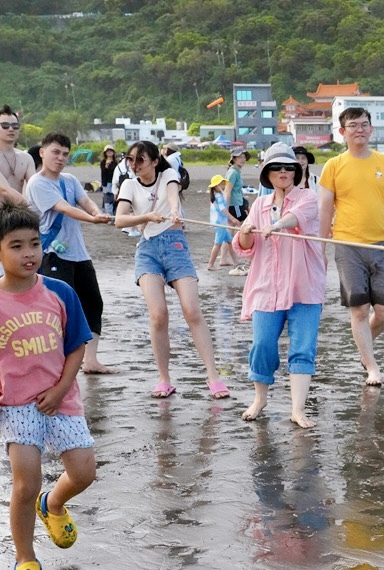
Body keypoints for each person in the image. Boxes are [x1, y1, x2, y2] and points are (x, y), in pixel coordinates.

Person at [0, 204, 97, 570]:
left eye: (35, 244)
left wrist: (59, 390)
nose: (29, 254)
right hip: (17, 405)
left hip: (62, 398)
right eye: (16, 246)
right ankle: (26, 559)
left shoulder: (60, 291)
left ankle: (52, 505)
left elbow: (77, 345)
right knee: (25, 482)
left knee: (84, 472)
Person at [114, 140, 230, 400]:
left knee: (192, 310)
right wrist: (145, 217)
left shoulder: (168, 174)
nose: (134, 165)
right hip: (147, 250)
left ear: (155, 161)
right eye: (130, 159)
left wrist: (175, 211)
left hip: (175, 244)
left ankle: (213, 376)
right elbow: (119, 219)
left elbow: (171, 196)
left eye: (140, 160)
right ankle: (164, 379)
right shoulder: (129, 184)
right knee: (158, 314)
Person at [232, 143, 325, 428]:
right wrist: (246, 231)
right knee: (262, 344)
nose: (283, 172)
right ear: (267, 174)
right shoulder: (259, 205)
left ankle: (297, 409)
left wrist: (279, 224)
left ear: (296, 172)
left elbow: (298, 218)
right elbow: (244, 248)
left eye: (288, 167)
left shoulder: (309, 196)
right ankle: (260, 398)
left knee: (303, 348)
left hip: (304, 285)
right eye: (276, 168)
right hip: (265, 287)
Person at [318, 107, 384, 387]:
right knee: (359, 310)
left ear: (371, 129)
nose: (360, 130)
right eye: (353, 125)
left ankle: (363, 346)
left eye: (364, 124)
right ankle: (372, 367)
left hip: (383, 245)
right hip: (347, 245)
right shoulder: (333, 165)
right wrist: (321, 247)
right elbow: (325, 209)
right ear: (342, 132)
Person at [25, 133, 116, 375]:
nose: (60, 158)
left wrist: (98, 212)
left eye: (65, 154)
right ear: (42, 152)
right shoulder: (37, 182)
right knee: (58, 309)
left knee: (93, 303)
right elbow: (63, 207)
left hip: (79, 253)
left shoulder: (69, 179)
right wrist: (93, 219)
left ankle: (91, 360)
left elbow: (85, 201)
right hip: (54, 253)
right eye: (55, 152)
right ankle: (56, 363)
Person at [206, 174, 237, 270]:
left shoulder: (216, 195)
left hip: (220, 223)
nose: (224, 186)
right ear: (216, 186)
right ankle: (210, 264)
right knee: (217, 244)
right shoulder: (218, 196)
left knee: (230, 242)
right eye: (222, 184)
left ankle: (236, 262)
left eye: (224, 183)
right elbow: (222, 209)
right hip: (219, 224)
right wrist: (232, 218)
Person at [0, 105, 33, 194]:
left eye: (15, 126)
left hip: (18, 207)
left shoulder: (26, 158)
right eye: (5, 125)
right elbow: (4, 190)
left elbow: (34, 187)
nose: (11, 129)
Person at [99, 145, 118, 215]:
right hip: (107, 183)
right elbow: (103, 173)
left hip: (114, 183)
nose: (109, 152)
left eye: (111, 150)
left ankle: (113, 214)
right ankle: (109, 215)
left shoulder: (116, 162)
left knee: (115, 199)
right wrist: (106, 166)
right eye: (108, 151)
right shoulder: (103, 162)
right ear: (105, 153)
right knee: (107, 199)